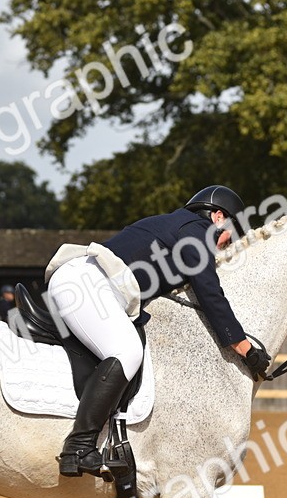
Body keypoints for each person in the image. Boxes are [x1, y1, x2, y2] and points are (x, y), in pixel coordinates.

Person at [45, 185, 271, 477]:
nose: (225, 248)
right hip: (87, 285)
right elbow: (211, 295)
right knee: (126, 351)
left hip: (92, 285)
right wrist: (244, 347)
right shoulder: (198, 231)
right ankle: (78, 446)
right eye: (230, 237)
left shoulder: (174, 226)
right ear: (218, 217)